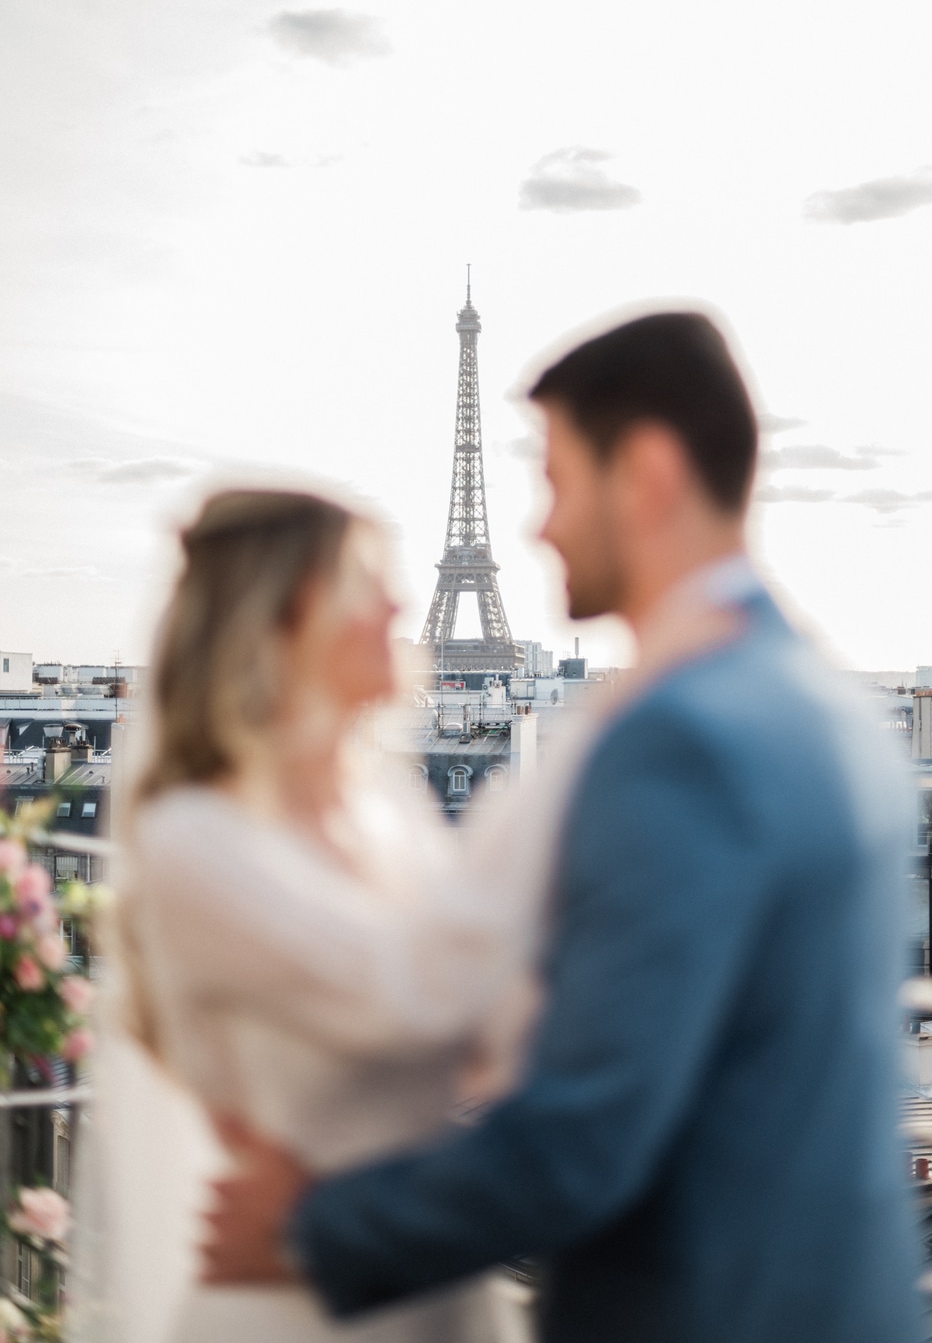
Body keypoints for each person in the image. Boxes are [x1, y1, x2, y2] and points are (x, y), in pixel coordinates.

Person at [201, 311, 922, 1343]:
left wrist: (312, 1228)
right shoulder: (832, 707)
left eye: (556, 478)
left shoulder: (680, 741)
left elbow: (584, 1137)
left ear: (646, 473)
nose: (537, 525)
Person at [96, 489, 544, 1343]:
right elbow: (426, 999)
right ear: (285, 617)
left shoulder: (387, 807)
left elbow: (494, 1023)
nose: (402, 605)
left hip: (420, 1273)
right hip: (300, 1303)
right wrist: (550, 801)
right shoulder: (193, 839)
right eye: (366, 581)